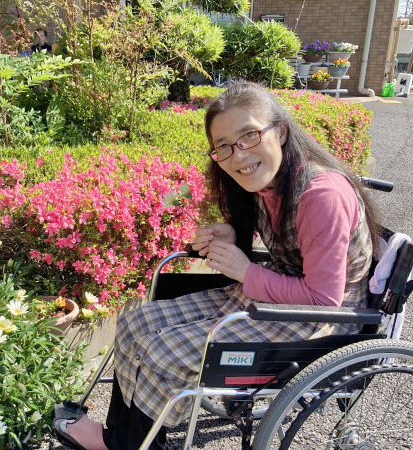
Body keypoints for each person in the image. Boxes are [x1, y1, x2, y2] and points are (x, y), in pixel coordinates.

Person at [53, 81, 380, 450]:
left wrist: (245, 271)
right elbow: (278, 240)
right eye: (223, 146)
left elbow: (323, 300)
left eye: (249, 136)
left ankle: (130, 444)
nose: (237, 155)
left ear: (281, 131)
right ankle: (120, 439)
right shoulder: (266, 184)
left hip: (319, 320)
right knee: (135, 323)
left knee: (164, 352)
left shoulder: (322, 195)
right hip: (274, 295)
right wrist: (229, 234)